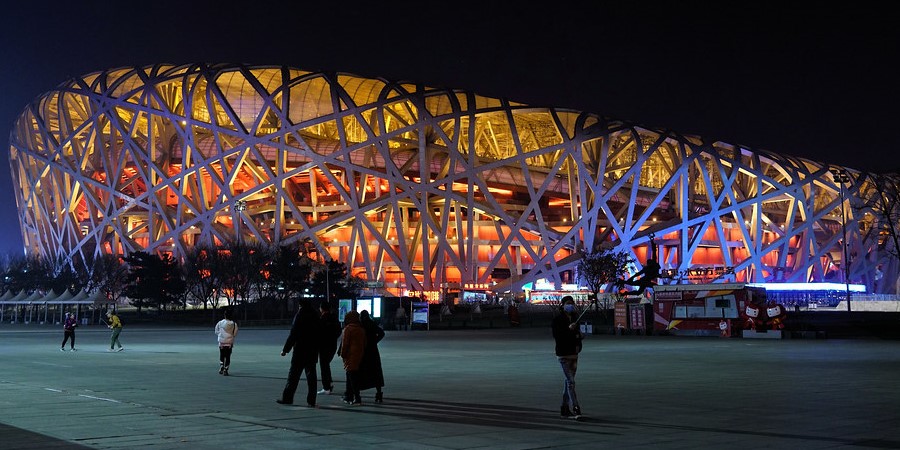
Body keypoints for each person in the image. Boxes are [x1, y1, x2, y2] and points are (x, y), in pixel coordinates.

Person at [277, 299, 320, 407]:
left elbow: (294, 334)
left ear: (300, 305)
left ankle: (287, 398)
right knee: (311, 377)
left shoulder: (300, 315)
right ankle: (311, 400)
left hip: (300, 350)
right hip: (312, 351)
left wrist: (285, 350)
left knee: (293, 376)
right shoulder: (315, 315)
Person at [552, 298, 584, 419]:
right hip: (563, 354)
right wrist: (568, 329)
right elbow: (557, 336)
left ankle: (564, 408)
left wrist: (580, 336)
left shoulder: (575, 319)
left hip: (574, 354)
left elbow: (576, 336)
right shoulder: (557, 319)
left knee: (568, 382)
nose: (570, 306)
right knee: (571, 382)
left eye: (571, 304)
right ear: (563, 305)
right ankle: (576, 408)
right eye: (568, 304)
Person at [339, 310, 366, 406]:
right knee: (352, 375)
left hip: (350, 355)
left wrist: (343, 354)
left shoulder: (348, 329)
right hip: (359, 354)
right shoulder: (361, 329)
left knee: (351, 376)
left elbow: (345, 344)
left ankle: (356, 397)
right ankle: (349, 395)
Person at [358, 310, 385, 403]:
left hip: (363, 351)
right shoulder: (372, 324)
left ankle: (357, 393)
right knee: (376, 372)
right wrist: (375, 341)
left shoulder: (360, 325)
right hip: (373, 351)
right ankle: (379, 393)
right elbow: (381, 333)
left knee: (361, 371)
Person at [317, 301, 342, 395]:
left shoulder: (322, 318)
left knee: (324, 366)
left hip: (323, 345)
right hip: (332, 345)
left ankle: (326, 387)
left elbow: (318, 332)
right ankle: (329, 384)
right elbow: (339, 331)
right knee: (326, 365)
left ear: (321, 309)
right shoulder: (334, 318)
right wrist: (333, 338)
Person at [214, 307, 238, 376]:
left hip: (221, 342)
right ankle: (226, 369)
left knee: (222, 354)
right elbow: (235, 334)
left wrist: (221, 335)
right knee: (228, 356)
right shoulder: (234, 324)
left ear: (224, 315)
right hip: (229, 342)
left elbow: (216, 331)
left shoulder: (220, 322)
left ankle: (221, 365)